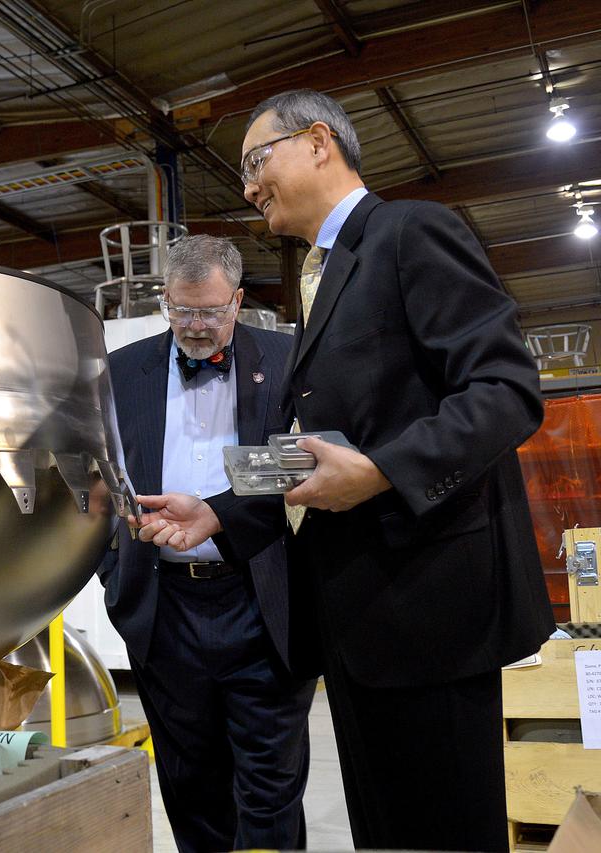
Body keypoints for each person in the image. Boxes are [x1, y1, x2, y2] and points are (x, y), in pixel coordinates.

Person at [135, 89, 554, 851]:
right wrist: (220, 512)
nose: (248, 186)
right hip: (360, 624)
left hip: (430, 615)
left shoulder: (409, 232)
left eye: (257, 161)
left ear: (319, 142)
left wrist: (382, 471)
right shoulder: (324, 274)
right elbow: (320, 448)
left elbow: (505, 391)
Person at [98, 234, 315, 852]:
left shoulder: (287, 356)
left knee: (270, 790)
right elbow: (95, 477)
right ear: (166, 300)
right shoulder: (123, 371)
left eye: (212, 311)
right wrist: (115, 577)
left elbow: (301, 464)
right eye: (182, 310)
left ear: (239, 300)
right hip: (164, 609)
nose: (196, 326)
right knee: (190, 786)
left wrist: (217, 514)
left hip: (263, 600)